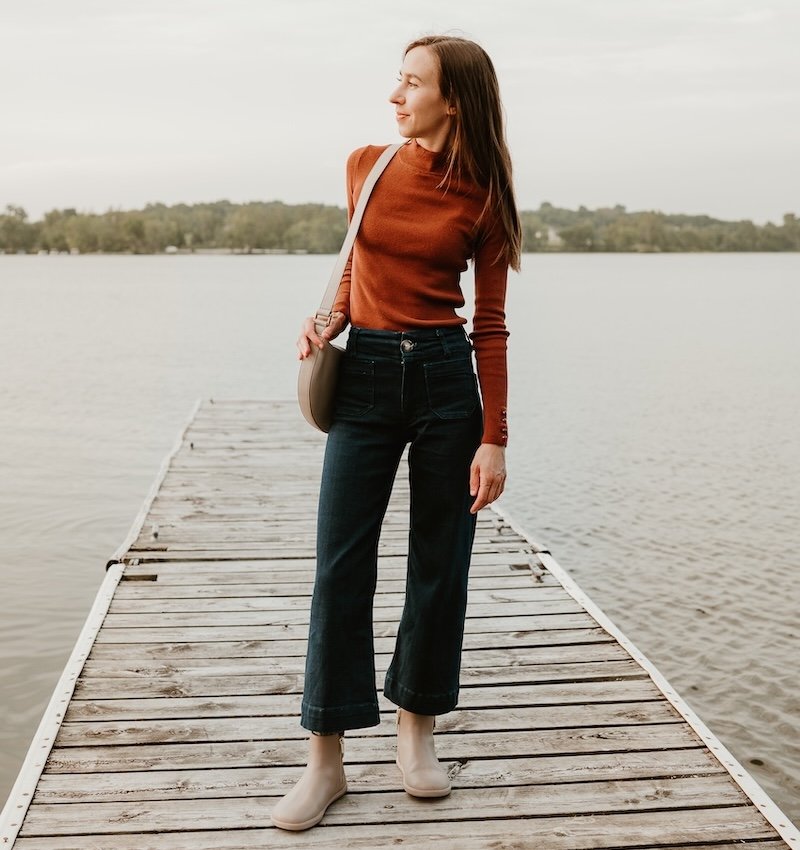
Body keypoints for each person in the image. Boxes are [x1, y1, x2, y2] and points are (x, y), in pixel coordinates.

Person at [271, 34, 521, 832]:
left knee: (438, 564)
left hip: (448, 380)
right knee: (340, 563)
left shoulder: (484, 193)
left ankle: (418, 735)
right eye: (397, 81)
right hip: (369, 377)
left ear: (453, 100)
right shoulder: (367, 165)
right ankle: (326, 760)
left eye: (411, 84)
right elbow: (354, 271)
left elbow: (489, 326)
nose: (395, 96)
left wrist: (496, 436)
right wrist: (327, 320)